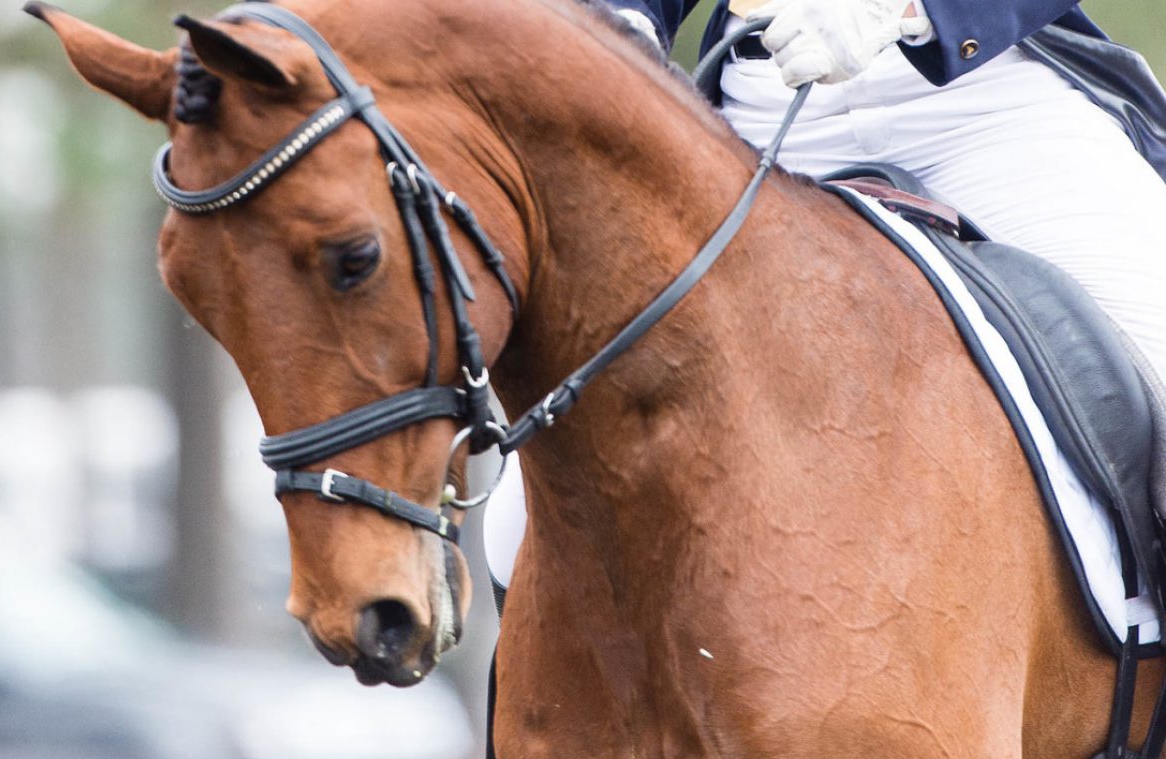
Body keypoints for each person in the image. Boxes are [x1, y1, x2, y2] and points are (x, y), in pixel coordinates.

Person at [484, 0, 1166, 594]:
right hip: (766, 98)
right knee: (525, 516)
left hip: (987, 104)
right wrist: (617, 21)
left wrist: (910, 8)